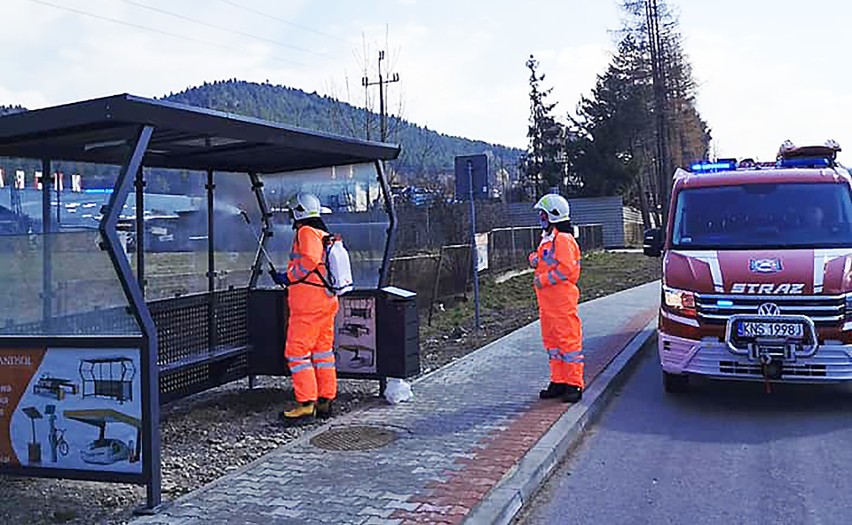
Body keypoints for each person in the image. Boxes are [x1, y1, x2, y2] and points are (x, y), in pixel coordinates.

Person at [271, 192, 339, 424]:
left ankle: (306, 404)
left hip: (308, 305)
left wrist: (289, 277)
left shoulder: (306, 232)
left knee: (297, 353)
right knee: (323, 353)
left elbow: (309, 260)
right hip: (326, 301)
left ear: (298, 211)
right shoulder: (322, 232)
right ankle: (325, 400)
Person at [529, 193, 584, 403]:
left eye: (543, 214)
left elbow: (567, 269)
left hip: (561, 302)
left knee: (568, 344)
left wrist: (543, 279)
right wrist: (534, 259)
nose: (540, 217)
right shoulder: (549, 238)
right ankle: (559, 381)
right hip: (548, 304)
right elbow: (545, 259)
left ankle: (574, 385)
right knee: (553, 345)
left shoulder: (563, 239)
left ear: (553, 215)